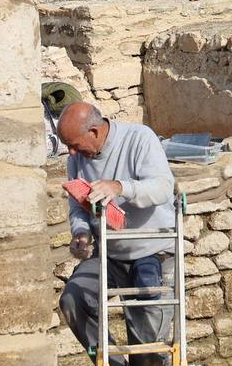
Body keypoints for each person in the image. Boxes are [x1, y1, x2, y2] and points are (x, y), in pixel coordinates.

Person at [57, 103, 176, 366]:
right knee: (73, 300)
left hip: (152, 251)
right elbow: (78, 206)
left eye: (74, 144)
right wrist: (81, 232)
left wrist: (120, 187)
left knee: (147, 353)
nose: (71, 152)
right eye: (67, 145)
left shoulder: (139, 139)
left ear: (95, 131)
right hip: (108, 253)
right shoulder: (76, 158)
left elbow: (163, 188)